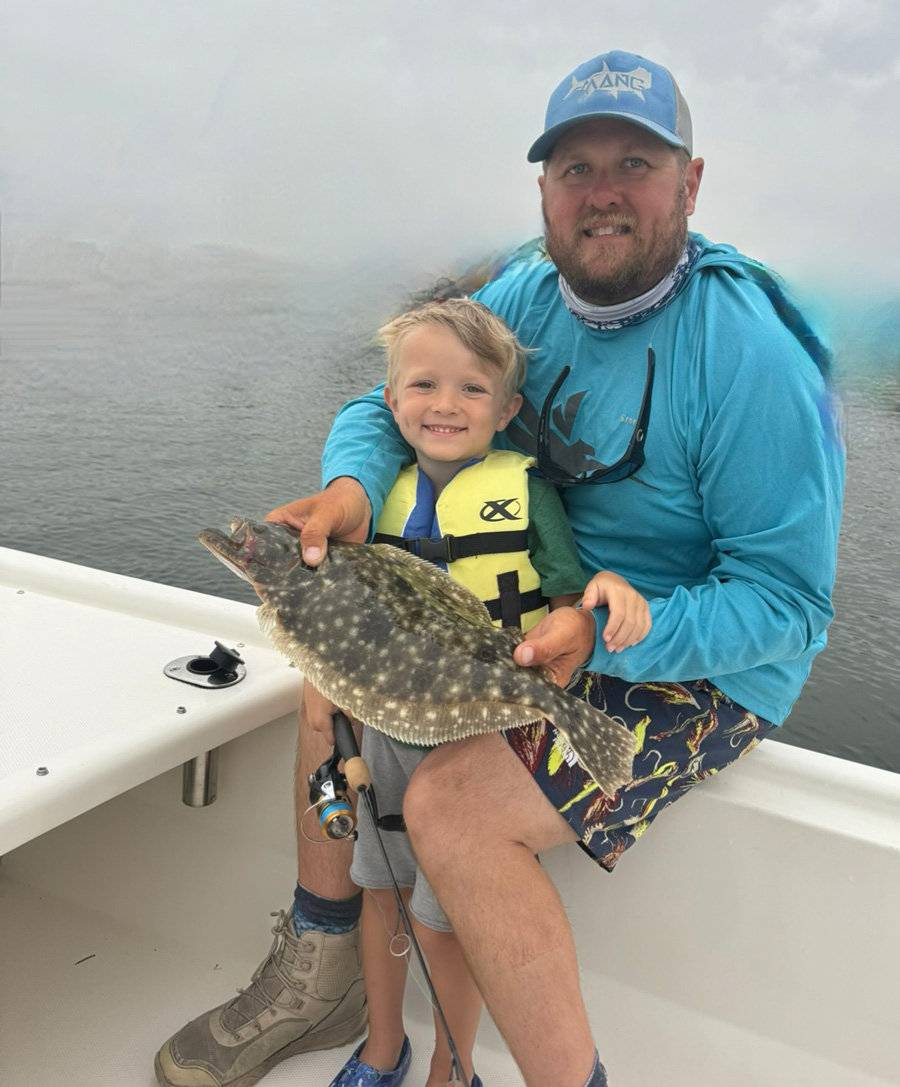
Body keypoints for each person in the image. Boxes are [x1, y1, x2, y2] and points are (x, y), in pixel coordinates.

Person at [155, 49, 845, 1087]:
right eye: (575, 169)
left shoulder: (752, 356)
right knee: (326, 678)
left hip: (691, 649)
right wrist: (350, 492)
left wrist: (617, 629)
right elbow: (383, 402)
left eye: (635, 164)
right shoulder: (528, 293)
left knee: (452, 806)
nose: (602, 192)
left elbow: (790, 604)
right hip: (531, 611)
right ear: (544, 190)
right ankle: (322, 965)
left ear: (691, 183)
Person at [324, 297, 648, 1087]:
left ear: (507, 410)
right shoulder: (374, 496)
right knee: (378, 887)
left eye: (472, 389)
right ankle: (382, 1046)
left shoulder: (527, 492)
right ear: (390, 399)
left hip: (480, 731)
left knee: (443, 920)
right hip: (386, 729)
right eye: (424, 385)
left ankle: (453, 1066)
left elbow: (568, 602)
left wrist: (598, 601)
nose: (445, 404)